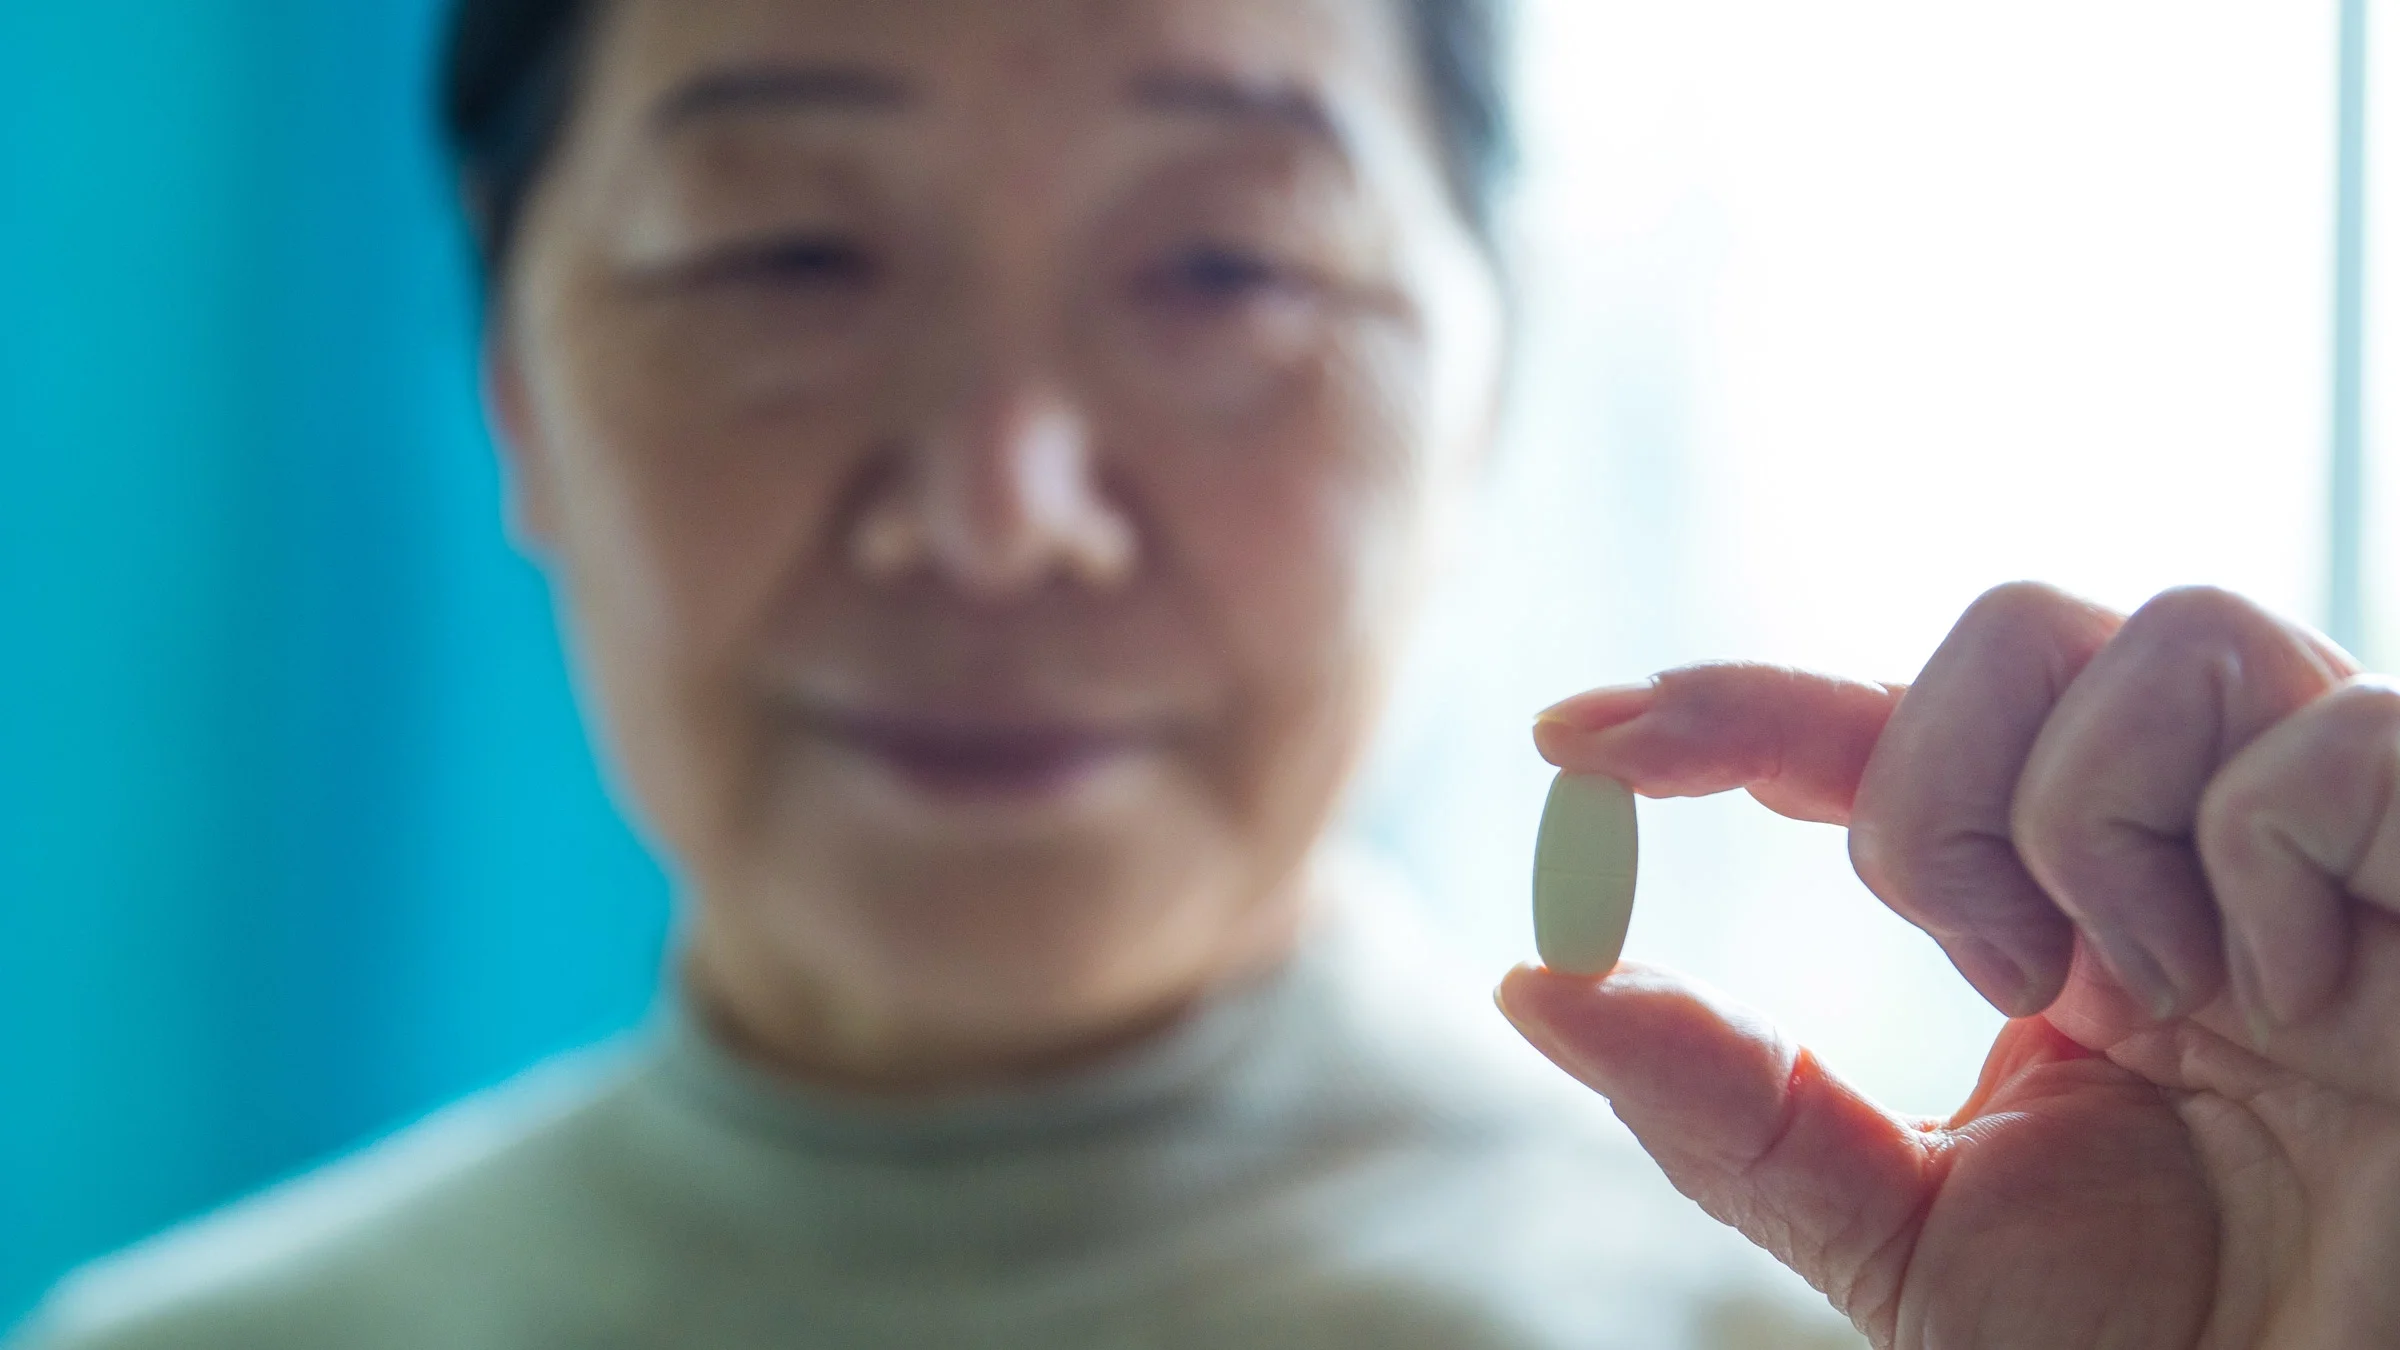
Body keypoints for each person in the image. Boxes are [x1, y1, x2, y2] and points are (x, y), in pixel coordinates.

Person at [11, 0, 2396, 1346]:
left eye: (1232, 275)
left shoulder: (1889, 1327)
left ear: (1485, 390)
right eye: (783, 261)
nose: (998, 507)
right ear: (513, 387)